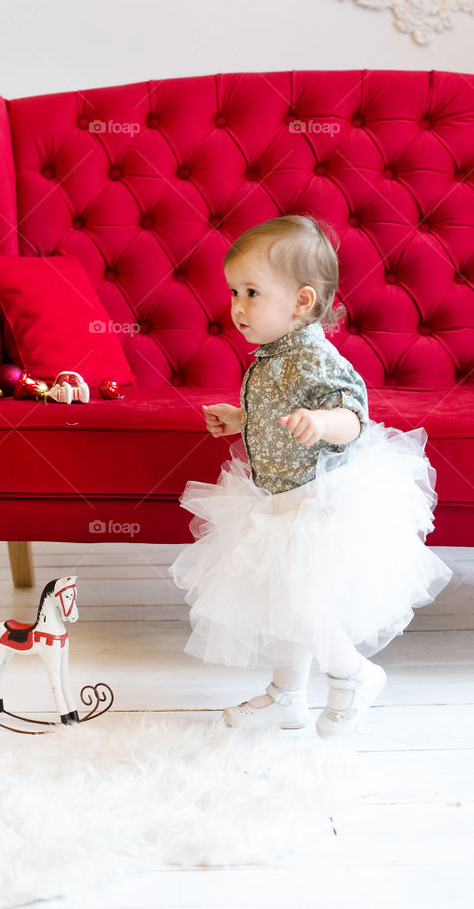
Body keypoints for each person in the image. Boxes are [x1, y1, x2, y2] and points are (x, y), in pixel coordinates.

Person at [168, 214, 453, 737]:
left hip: (316, 503)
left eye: (252, 292)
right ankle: (288, 696)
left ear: (301, 301)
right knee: (285, 601)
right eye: (234, 291)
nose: (236, 306)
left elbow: (354, 416)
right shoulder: (275, 354)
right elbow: (275, 410)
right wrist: (240, 418)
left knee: (302, 601)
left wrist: (323, 422)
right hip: (277, 498)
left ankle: (353, 674)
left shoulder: (313, 358)